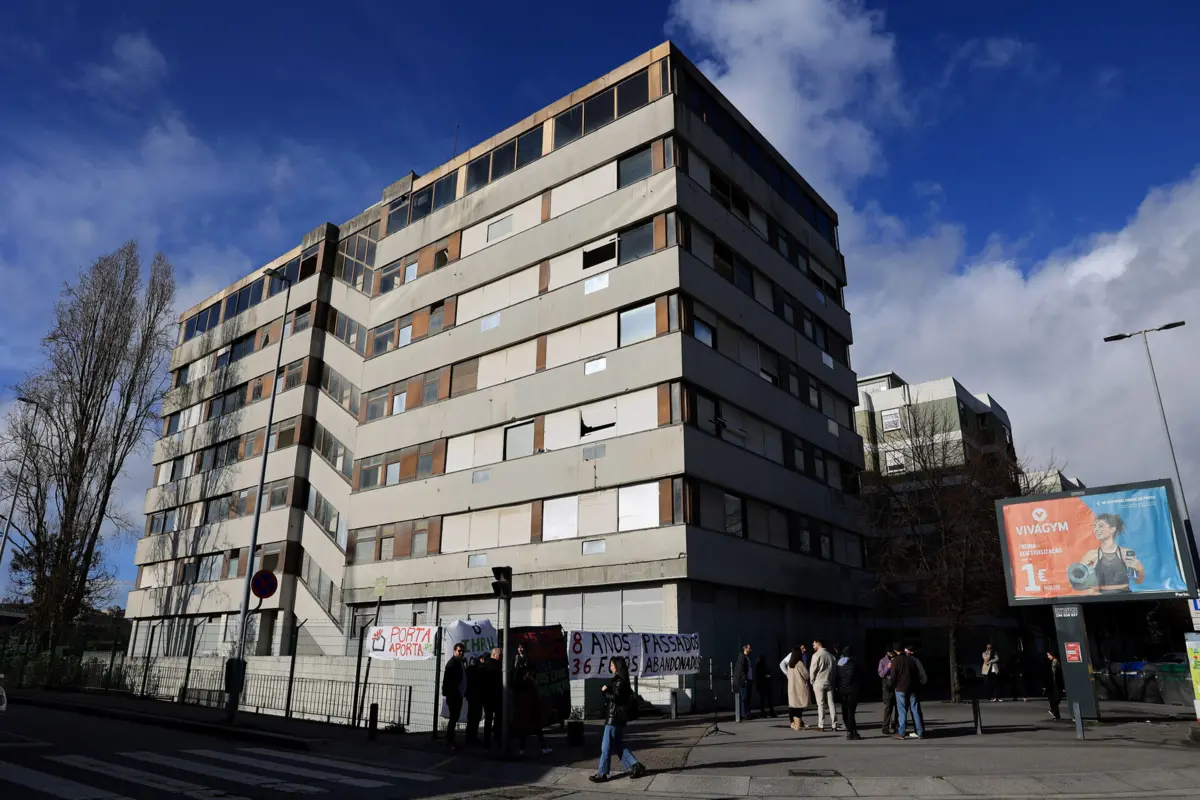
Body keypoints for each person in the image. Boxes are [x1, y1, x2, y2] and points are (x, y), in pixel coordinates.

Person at [589, 657, 647, 783]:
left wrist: (605, 692)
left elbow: (615, 698)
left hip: (613, 718)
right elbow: (618, 696)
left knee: (605, 747)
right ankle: (635, 766)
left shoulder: (619, 681)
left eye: (612, 665)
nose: (610, 667)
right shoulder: (620, 680)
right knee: (617, 745)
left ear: (617, 666)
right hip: (617, 718)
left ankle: (602, 773)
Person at [1076, 513, 1145, 594]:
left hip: (1124, 597)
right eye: (1094, 526)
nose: (1096, 529)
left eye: (1100, 526)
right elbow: (1078, 580)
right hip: (1102, 598)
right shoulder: (1090, 555)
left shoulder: (1125, 553)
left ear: (1112, 529)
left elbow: (1138, 581)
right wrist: (1089, 591)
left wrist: (1140, 569)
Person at [513, 651, 551, 756]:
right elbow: (534, 692)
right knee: (537, 729)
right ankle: (543, 748)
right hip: (531, 706)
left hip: (524, 706)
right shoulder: (530, 679)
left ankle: (522, 749)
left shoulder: (520, 675)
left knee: (524, 729)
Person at [890, 644, 925, 740]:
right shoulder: (911, 660)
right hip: (912, 687)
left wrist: (892, 685)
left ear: (895, 650)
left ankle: (901, 732)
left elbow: (893, 676)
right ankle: (920, 731)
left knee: (902, 711)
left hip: (900, 688)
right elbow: (916, 674)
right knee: (915, 709)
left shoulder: (895, 661)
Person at [809, 639, 838, 732]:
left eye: (814, 644)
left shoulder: (816, 655)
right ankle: (834, 724)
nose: (813, 646)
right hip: (829, 681)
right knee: (831, 703)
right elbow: (834, 671)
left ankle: (821, 725)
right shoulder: (831, 656)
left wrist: (812, 680)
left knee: (820, 704)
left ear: (818, 644)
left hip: (819, 682)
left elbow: (813, 669)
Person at [442, 642, 467, 750]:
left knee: (454, 717)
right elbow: (448, 681)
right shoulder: (452, 664)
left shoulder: (459, 662)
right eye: (459, 651)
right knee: (453, 718)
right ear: (454, 651)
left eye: (462, 651)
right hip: (454, 695)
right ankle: (449, 740)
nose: (461, 652)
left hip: (458, 694)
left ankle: (451, 739)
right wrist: (452, 693)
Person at [836, 645, 863, 740]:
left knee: (845, 710)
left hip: (842, 690)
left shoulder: (839, 664)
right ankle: (851, 732)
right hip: (852, 690)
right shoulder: (855, 663)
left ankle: (850, 729)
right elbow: (859, 677)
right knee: (851, 712)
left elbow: (837, 677)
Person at [783, 646, 812, 730]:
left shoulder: (790, 665)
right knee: (800, 705)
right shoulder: (799, 664)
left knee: (793, 706)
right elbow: (806, 675)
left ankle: (795, 722)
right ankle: (798, 723)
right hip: (799, 687)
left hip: (791, 688)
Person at [482, 647, 503, 748]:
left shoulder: (486, 666)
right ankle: (496, 736)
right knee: (496, 717)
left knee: (489, 718)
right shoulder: (496, 667)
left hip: (488, 696)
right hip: (495, 695)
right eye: (500, 655)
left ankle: (488, 740)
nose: (502, 657)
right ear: (495, 655)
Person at [464, 654, 486, 744]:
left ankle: (471, 737)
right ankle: (471, 737)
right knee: (474, 716)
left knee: (473, 717)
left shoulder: (471, 669)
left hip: (473, 696)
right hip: (475, 696)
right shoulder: (475, 670)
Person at [878, 646, 898, 735]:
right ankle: (885, 727)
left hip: (897, 685)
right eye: (890, 653)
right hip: (887, 686)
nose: (892, 654)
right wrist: (888, 667)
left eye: (893, 653)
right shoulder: (883, 661)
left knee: (898, 707)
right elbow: (881, 674)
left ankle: (896, 726)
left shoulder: (897, 659)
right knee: (888, 707)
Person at [733, 644, 754, 720]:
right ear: (745, 649)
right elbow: (740, 669)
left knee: (748, 696)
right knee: (744, 697)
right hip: (744, 680)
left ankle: (747, 712)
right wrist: (744, 678)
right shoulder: (742, 657)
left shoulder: (748, 658)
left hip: (749, 679)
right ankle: (743, 713)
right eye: (748, 648)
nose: (750, 650)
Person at [1046, 651, 1064, 721]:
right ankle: (1055, 712)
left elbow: (1056, 674)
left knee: (1057, 698)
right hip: (1054, 684)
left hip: (1055, 683)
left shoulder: (1055, 663)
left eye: (1049, 655)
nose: (1048, 657)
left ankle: (1054, 711)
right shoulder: (1054, 662)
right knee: (1056, 698)